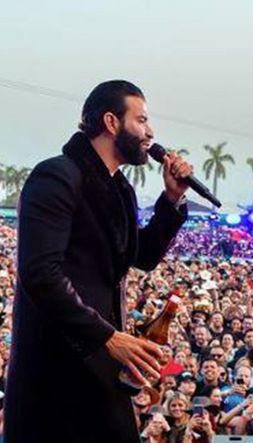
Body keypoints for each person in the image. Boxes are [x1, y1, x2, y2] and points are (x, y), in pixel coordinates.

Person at [5, 80, 192, 442]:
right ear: (111, 122)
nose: (150, 132)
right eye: (141, 120)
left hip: (103, 366)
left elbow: (144, 256)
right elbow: (40, 272)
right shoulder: (56, 177)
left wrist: (171, 200)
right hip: (56, 370)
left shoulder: (120, 189)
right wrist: (107, 337)